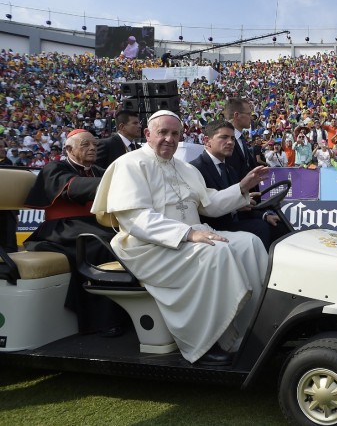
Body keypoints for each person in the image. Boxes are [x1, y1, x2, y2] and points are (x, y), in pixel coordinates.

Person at [91, 110, 270, 366]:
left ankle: (250, 331)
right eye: (163, 132)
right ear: (147, 134)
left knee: (248, 243)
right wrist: (189, 233)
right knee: (215, 252)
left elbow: (208, 205)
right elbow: (136, 219)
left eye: (175, 133)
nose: (169, 138)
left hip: (188, 239)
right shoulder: (129, 164)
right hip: (147, 247)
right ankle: (207, 341)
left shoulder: (184, 167)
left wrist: (241, 187)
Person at [24, 129, 128, 334]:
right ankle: (102, 321)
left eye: (94, 145)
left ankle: (126, 312)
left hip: (92, 224)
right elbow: (74, 187)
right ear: (69, 149)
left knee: (126, 239)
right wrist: (117, 182)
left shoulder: (99, 171)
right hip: (63, 228)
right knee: (104, 244)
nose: (92, 148)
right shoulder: (55, 167)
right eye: (85, 145)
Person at [190, 120, 286, 250]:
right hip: (214, 229)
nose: (230, 142)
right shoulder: (195, 169)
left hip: (236, 222)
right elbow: (205, 208)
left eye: (232, 139)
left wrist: (264, 215)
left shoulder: (230, 169)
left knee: (279, 225)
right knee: (260, 228)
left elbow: (240, 205)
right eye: (224, 137)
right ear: (207, 141)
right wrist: (237, 201)